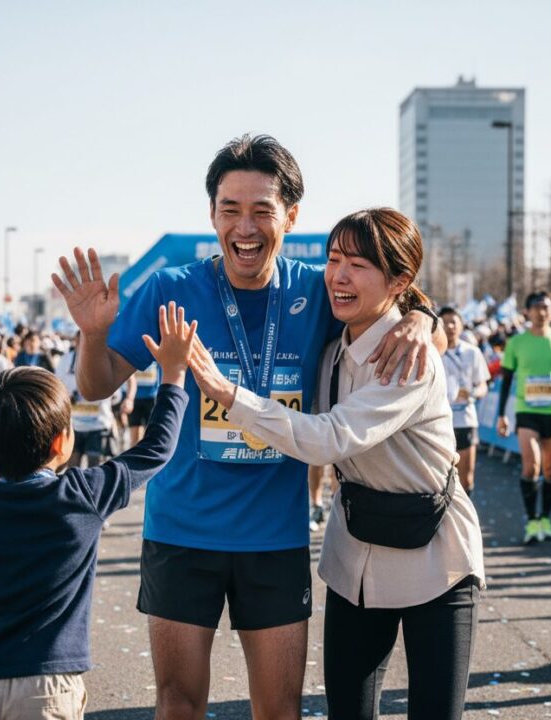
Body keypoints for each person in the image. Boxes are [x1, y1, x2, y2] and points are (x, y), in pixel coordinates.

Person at [52, 134, 443, 719]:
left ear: (291, 215)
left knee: (279, 710)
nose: (246, 227)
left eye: (262, 210)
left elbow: (388, 298)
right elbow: (98, 384)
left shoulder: (317, 288)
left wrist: (419, 317)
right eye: (230, 210)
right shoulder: (170, 290)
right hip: (182, 530)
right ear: (211, 214)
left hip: (275, 537)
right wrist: (92, 333)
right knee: (178, 703)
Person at [183, 208, 484, 720]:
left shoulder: (410, 358)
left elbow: (329, 439)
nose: (338, 275)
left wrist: (228, 395)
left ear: (399, 280)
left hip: (436, 554)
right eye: (333, 258)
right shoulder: (331, 342)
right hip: (356, 555)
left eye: (358, 264)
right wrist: (422, 315)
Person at [0, 304, 192, 720]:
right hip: (49, 686)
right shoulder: (83, 495)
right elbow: (156, 449)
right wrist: (173, 376)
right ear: (61, 444)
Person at [496, 291, 551, 544]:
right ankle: (532, 520)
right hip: (527, 411)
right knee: (531, 465)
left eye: (547, 307)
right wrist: (501, 414)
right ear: (528, 312)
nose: (542, 312)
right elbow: (507, 380)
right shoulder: (516, 343)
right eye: (537, 307)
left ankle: (546, 517)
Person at [439, 306, 491, 496]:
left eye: (454, 322)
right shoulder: (432, 352)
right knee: (439, 478)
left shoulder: (472, 352)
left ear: (461, 326)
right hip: (438, 423)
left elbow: (483, 385)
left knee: (466, 479)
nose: (449, 326)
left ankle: (463, 522)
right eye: (444, 322)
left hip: (465, 421)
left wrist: (472, 393)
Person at [57, 334, 129, 468]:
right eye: (80, 340)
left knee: (94, 468)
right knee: (72, 468)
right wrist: (67, 396)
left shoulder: (104, 359)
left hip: (99, 425)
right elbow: (57, 386)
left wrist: (102, 394)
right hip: (74, 425)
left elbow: (116, 394)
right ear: (76, 341)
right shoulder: (65, 361)